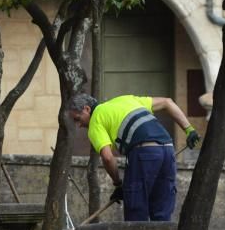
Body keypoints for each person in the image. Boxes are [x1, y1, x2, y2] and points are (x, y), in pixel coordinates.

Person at [67, 92, 199, 222]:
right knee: (162, 210)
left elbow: (107, 157)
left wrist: (118, 184)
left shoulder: (96, 121)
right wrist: (189, 130)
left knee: (136, 209)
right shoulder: (126, 99)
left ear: (87, 109)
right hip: (168, 149)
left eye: (78, 119)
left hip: (143, 153)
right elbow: (167, 102)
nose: (79, 125)